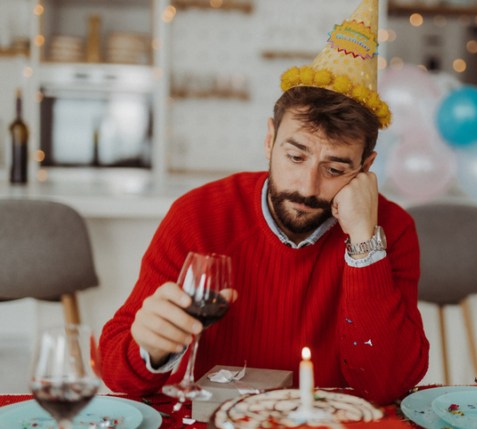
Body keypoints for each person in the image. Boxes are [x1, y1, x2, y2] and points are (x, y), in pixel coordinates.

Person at [99, 0, 429, 405]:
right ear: (270, 139)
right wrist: (153, 348)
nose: (307, 187)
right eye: (295, 156)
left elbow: (389, 385)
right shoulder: (198, 216)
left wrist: (363, 243)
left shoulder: (390, 231)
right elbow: (117, 373)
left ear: (366, 167)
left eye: (335, 168)